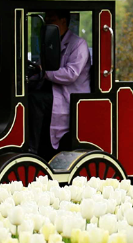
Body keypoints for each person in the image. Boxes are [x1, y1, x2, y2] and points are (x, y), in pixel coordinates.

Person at [29, 10, 91, 160]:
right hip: (53, 92)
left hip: (69, 96)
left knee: (34, 100)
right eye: (47, 19)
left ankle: (31, 149)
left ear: (64, 21)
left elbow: (71, 73)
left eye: (52, 18)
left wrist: (44, 73)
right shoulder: (50, 42)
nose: (48, 21)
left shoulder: (78, 44)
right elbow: (41, 67)